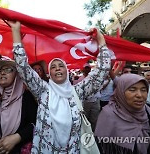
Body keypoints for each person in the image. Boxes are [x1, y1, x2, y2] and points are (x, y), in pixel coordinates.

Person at [8, 21, 112, 153]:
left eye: (61, 66)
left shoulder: (78, 91)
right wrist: (16, 31)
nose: (57, 69)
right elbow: (22, 66)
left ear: (67, 71)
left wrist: (101, 41)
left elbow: (102, 70)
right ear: (49, 74)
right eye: (53, 67)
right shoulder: (43, 91)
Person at [95, 73, 150, 154]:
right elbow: (100, 147)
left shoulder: (146, 110)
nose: (139, 95)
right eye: (132, 90)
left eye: (143, 90)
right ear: (121, 91)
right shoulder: (109, 114)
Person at [0, 57, 38, 154]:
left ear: (17, 75)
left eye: (8, 69)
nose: (2, 73)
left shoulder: (26, 97)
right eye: (0, 70)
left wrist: (17, 137)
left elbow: (35, 124)